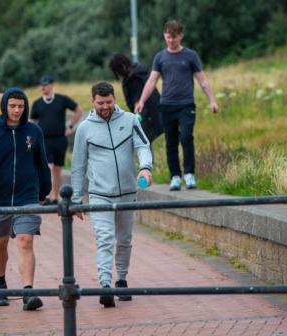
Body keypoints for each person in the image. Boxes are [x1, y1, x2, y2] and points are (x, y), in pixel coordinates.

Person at [71, 81, 152, 308]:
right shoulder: (84, 129)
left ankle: (122, 280)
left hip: (127, 192)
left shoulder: (128, 120)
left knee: (124, 240)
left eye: (108, 102)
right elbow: (78, 166)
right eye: (100, 103)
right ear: (92, 102)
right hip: (99, 194)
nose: (105, 107)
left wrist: (146, 166)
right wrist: (76, 199)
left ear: (114, 99)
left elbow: (143, 146)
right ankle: (105, 285)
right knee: (105, 238)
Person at [0, 88, 51, 311]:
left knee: (25, 240)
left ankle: (28, 292)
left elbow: (41, 163)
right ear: (5, 106)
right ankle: (1, 285)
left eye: (21, 106)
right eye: (13, 106)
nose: (17, 110)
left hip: (28, 196)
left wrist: (44, 191)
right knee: (0, 242)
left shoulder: (34, 132)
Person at [135, 20, 219, 191]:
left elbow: (202, 80)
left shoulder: (190, 56)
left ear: (181, 36)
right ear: (164, 36)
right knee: (170, 141)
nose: (171, 41)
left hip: (186, 104)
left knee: (186, 137)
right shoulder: (160, 57)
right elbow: (152, 81)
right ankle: (175, 176)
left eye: (174, 37)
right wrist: (142, 100)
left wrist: (212, 100)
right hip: (166, 105)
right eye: (167, 37)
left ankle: (189, 174)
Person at [30, 75, 82, 204]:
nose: (43, 87)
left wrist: (70, 126)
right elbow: (32, 121)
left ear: (52, 85)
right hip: (44, 140)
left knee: (57, 169)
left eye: (45, 84)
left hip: (60, 140)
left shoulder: (61, 99)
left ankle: (54, 197)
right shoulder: (37, 103)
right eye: (41, 85)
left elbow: (78, 110)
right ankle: (45, 195)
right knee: (48, 167)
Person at [108, 53, 164, 144]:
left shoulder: (133, 79)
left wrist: (137, 119)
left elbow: (137, 103)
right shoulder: (139, 72)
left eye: (116, 69)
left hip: (145, 114)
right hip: (154, 110)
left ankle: (145, 159)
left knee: (143, 143)